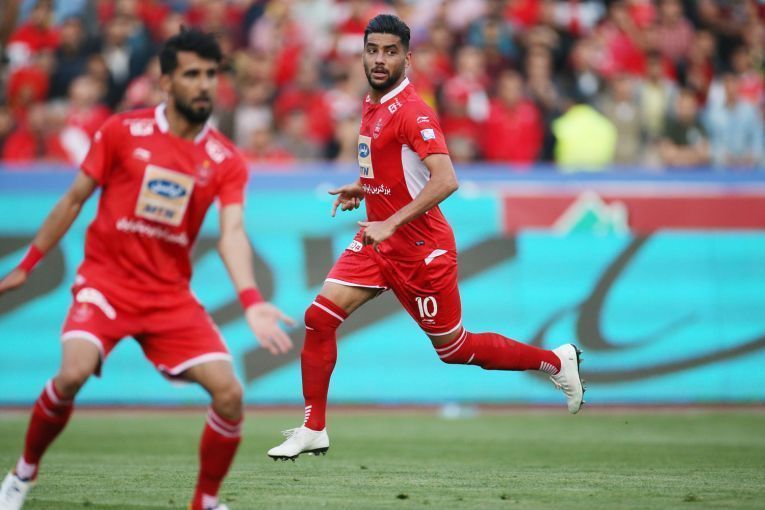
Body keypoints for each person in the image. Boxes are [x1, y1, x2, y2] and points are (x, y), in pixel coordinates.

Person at [267, 14, 585, 461]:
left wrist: (392, 222)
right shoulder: (372, 102)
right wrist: (365, 187)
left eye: (390, 51)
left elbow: (446, 179)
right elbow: (399, 169)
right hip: (378, 243)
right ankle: (313, 428)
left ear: (407, 58)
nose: (380, 59)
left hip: (421, 250)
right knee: (319, 318)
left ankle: (555, 361)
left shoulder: (413, 112)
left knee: (454, 348)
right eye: (372, 50)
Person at [0, 28, 294, 510]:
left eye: (211, 75)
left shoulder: (225, 159)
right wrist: (28, 265)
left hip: (168, 296)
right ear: (166, 82)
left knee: (229, 394)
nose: (204, 84)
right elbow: (73, 200)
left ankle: (205, 502)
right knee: (72, 374)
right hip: (106, 282)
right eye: (192, 74)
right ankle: (21, 475)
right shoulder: (122, 131)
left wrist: (251, 300)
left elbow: (233, 232)